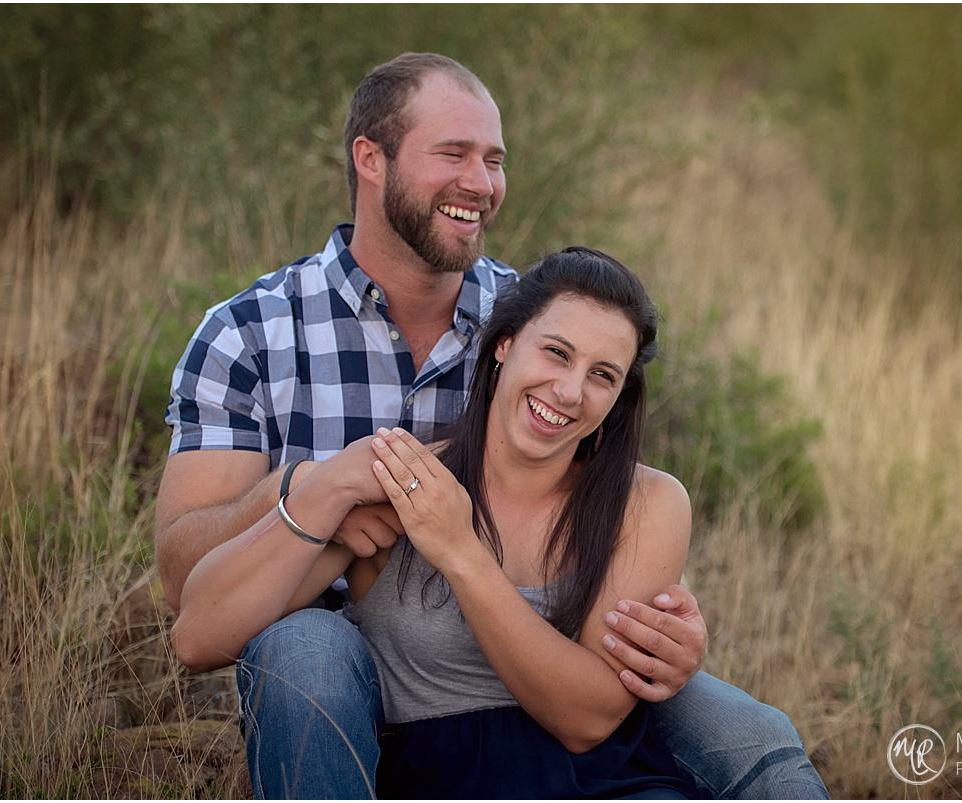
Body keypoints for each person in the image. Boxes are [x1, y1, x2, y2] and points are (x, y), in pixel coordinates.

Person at [156, 52, 828, 799]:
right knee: (306, 649)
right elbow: (189, 595)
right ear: (370, 158)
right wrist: (317, 492)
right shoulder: (250, 331)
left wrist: (670, 636)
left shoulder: (538, 307)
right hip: (352, 650)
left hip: (549, 665)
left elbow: (601, 495)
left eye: (495, 159)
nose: (482, 183)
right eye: (454, 154)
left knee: (754, 734)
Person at [174, 248, 707, 798]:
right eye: (556, 353)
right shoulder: (408, 486)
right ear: (505, 345)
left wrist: (458, 549)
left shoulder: (648, 500)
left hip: (604, 784)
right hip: (443, 778)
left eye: (602, 374)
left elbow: (587, 721)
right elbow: (198, 638)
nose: (570, 392)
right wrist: (327, 489)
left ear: (619, 396)